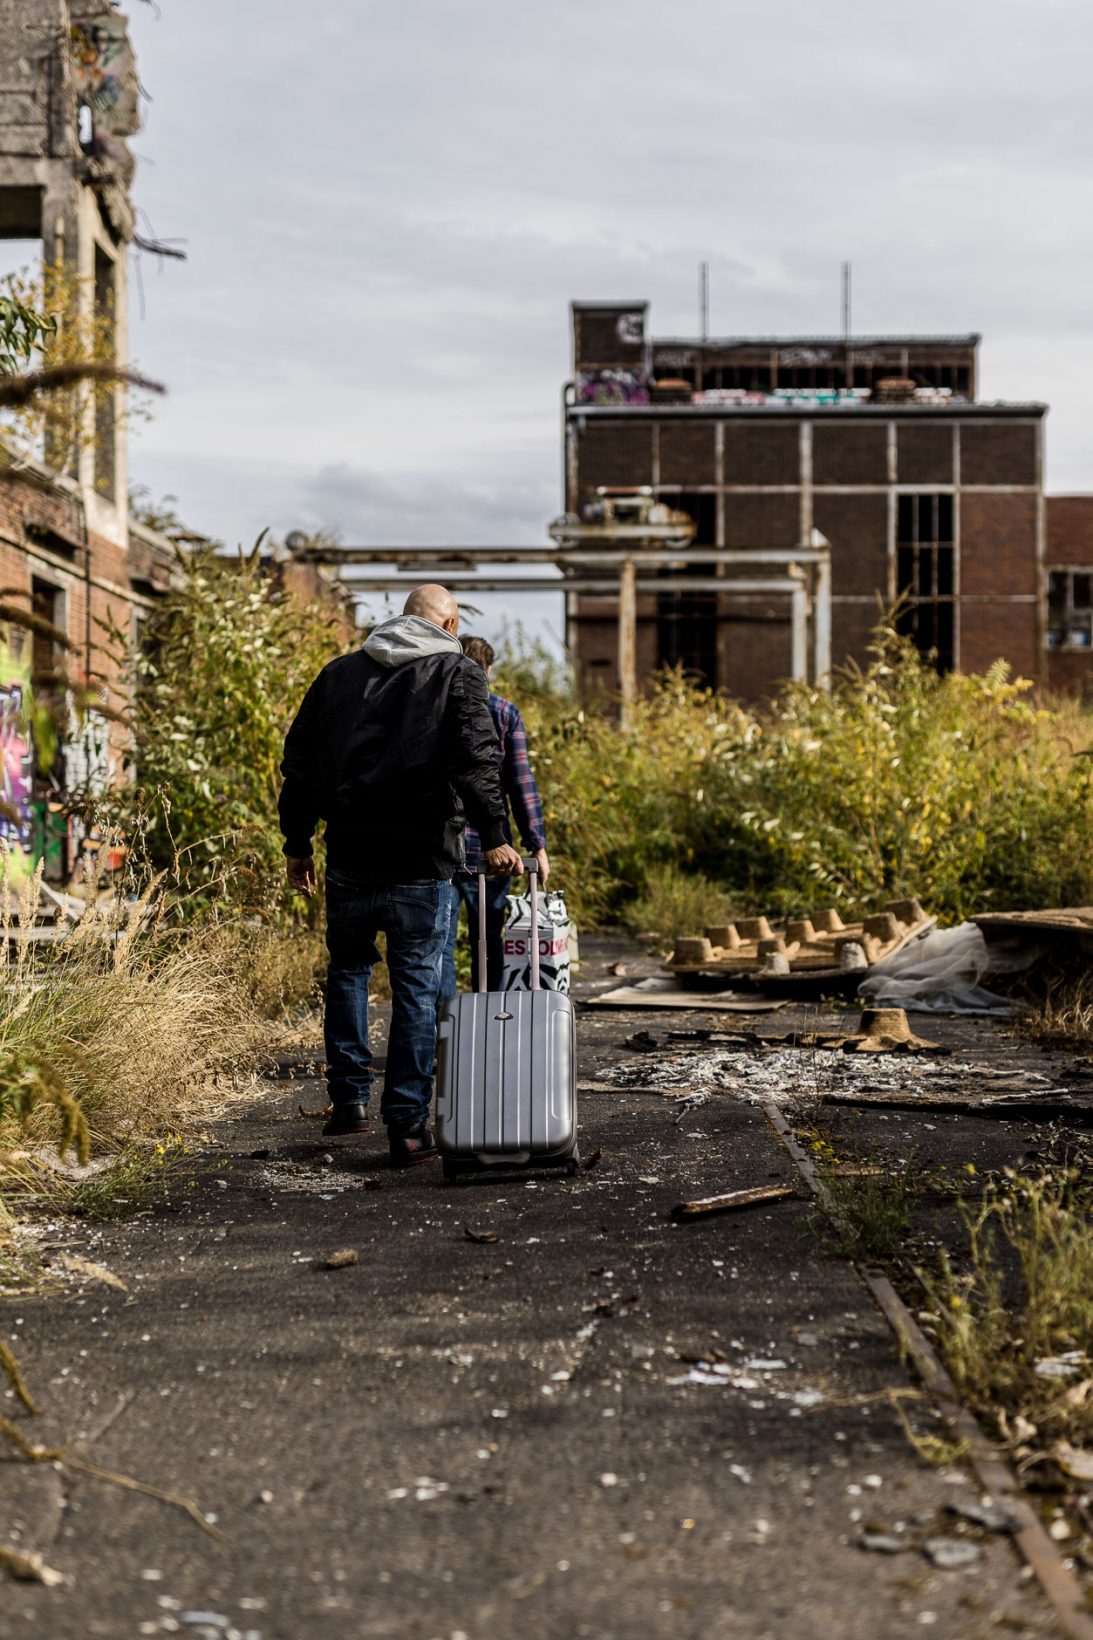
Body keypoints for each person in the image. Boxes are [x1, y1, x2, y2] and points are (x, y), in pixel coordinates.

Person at [278, 586, 522, 1166]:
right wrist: (496, 837)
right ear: (451, 622)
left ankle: (348, 1104)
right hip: (421, 861)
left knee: (348, 972)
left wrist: (297, 844)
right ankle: (408, 1128)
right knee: (415, 985)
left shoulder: (339, 674)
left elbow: (301, 764)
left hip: (349, 860)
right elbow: (476, 759)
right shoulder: (458, 673)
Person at [439, 635, 549, 998]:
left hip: (441, 848)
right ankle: (489, 1023)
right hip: (493, 851)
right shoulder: (504, 713)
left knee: (441, 945)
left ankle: (446, 1031)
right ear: (487, 671)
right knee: (487, 941)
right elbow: (520, 783)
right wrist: (537, 845)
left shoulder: (434, 706)